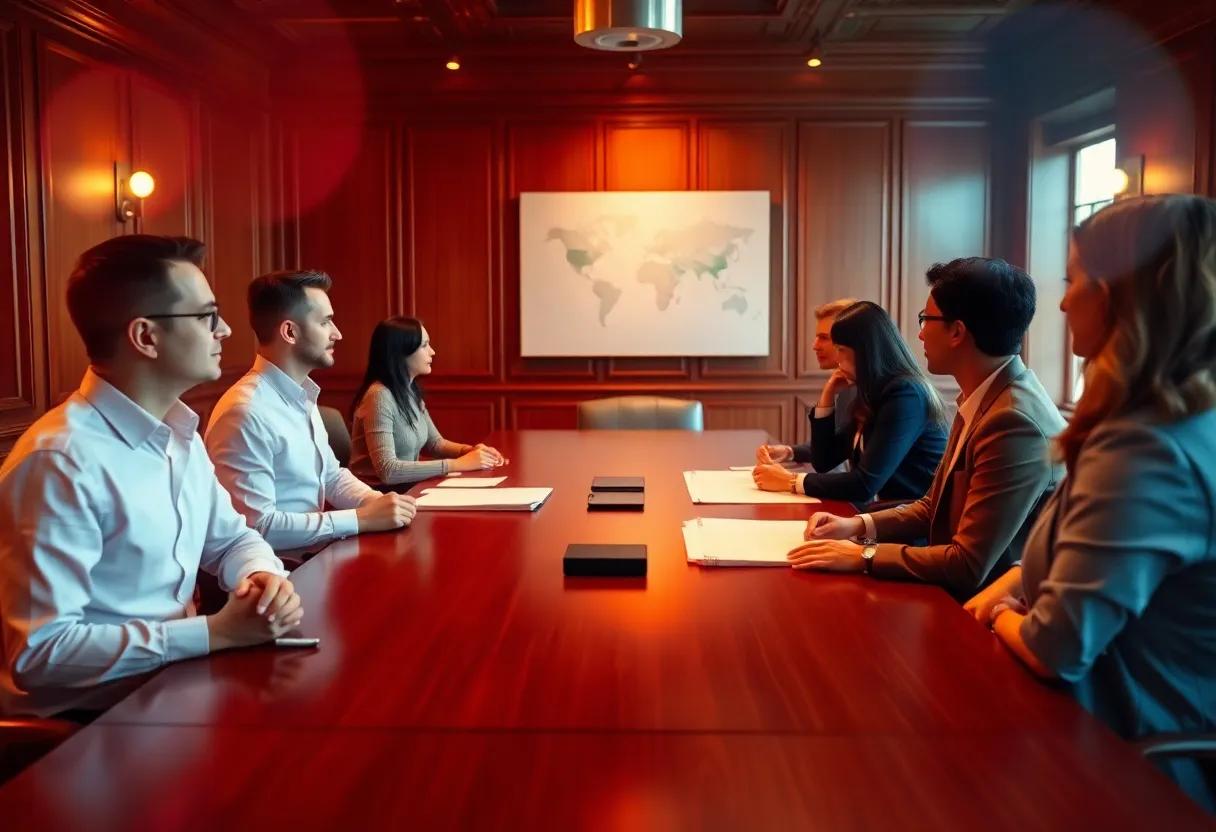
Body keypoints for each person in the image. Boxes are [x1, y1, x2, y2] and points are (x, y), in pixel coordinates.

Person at [966, 195, 1216, 813]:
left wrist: (998, 613)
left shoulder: (1143, 446)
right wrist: (1021, 578)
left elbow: (1056, 652)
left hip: (1124, 761)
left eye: (1072, 280)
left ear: (1113, 293)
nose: (1061, 301)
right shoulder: (1177, 420)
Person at [0, 236, 301, 718]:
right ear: (145, 336)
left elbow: (231, 541)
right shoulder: (59, 459)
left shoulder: (178, 433)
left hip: (173, 687)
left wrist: (260, 578)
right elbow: (41, 653)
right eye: (207, 316)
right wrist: (213, 632)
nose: (223, 330)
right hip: (90, 726)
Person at [788, 257, 1066, 600]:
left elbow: (967, 564)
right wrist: (856, 526)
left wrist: (863, 554)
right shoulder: (985, 395)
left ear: (956, 332)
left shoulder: (1013, 421)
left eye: (925, 319)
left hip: (983, 612)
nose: (919, 332)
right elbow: (932, 505)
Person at [205, 271, 416, 552]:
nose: (337, 333)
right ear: (290, 332)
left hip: (317, 558)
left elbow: (330, 476)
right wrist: (358, 519)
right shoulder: (245, 412)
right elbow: (257, 528)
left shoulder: (301, 394)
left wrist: (377, 503)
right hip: (280, 579)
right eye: (325, 321)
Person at [752, 301, 947, 503]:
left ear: (866, 352)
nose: (838, 360)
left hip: (914, 524)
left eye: (842, 350)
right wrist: (827, 397)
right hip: (886, 515)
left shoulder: (905, 394)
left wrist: (790, 481)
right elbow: (824, 461)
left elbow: (864, 484)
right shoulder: (871, 393)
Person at [349, 317, 505, 487]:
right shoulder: (379, 396)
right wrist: (457, 464)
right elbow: (388, 471)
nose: (432, 352)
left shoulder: (409, 390)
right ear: (400, 352)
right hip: (377, 495)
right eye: (424, 345)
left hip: (404, 489)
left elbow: (435, 443)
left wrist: (470, 451)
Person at [756, 297, 857, 466]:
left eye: (823, 337)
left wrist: (791, 482)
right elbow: (831, 448)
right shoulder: (846, 383)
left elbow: (863, 479)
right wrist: (789, 452)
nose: (815, 345)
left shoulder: (882, 391)